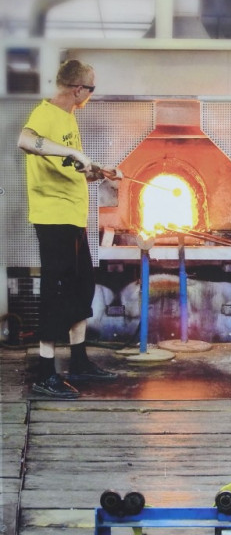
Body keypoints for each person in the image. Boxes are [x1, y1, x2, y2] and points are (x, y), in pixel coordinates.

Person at [17, 59, 122, 399]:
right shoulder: (45, 113)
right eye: (91, 89)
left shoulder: (68, 118)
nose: (91, 94)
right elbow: (26, 140)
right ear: (78, 89)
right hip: (53, 218)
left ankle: (78, 361)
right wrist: (73, 151)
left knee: (81, 288)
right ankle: (45, 373)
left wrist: (99, 172)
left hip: (73, 218)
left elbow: (71, 169)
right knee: (56, 292)